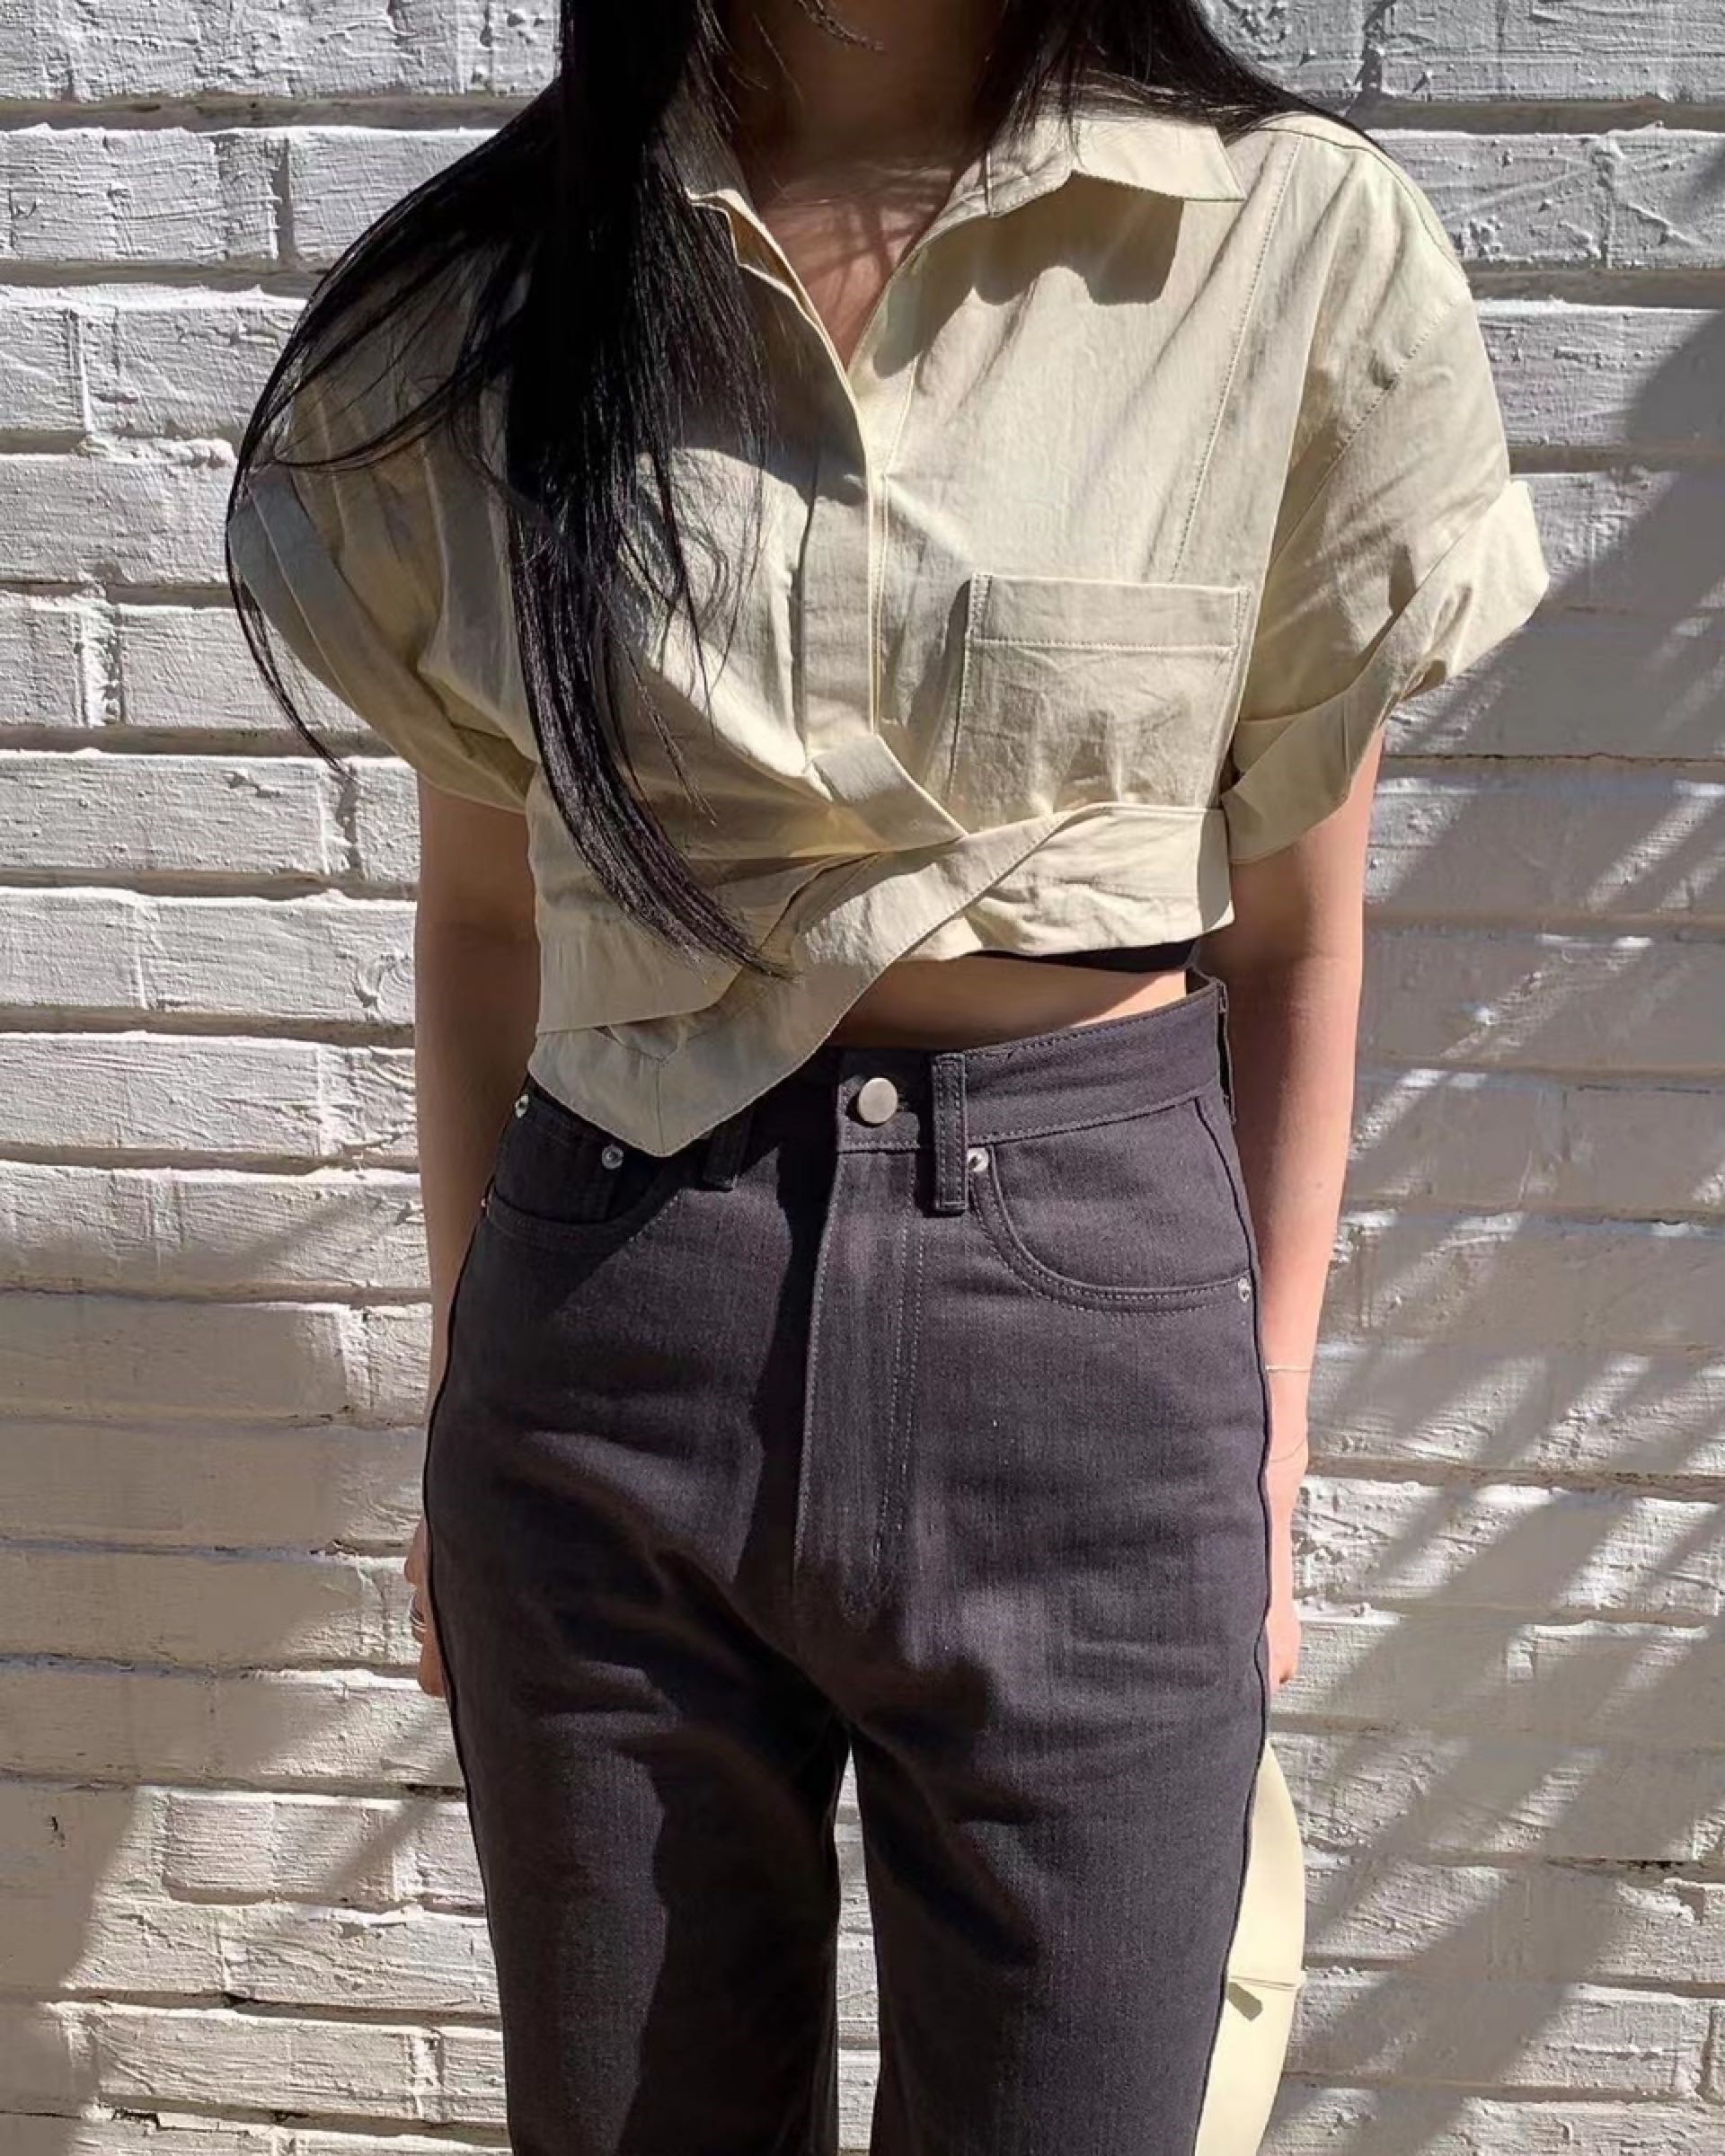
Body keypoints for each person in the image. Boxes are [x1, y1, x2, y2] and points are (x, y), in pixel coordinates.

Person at [224, 3, 1551, 2151]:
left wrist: (1271, 1436)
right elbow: (485, 926)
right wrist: (470, 1377)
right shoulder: (515, 287)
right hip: (612, 1316)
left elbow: (1297, 934)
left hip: (1090, 1345)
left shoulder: (1287, 245)